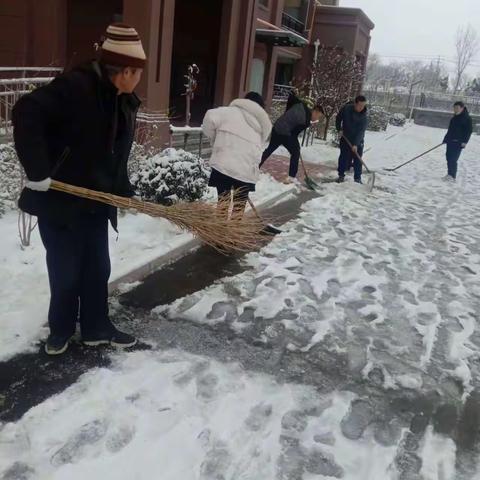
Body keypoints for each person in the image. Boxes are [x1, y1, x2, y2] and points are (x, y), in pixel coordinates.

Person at [12, 23, 146, 355]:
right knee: (66, 269)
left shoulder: (122, 100)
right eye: (139, 72)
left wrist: (121, 188)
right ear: (125, 70)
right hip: (60, 201)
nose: (139, 79)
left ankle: (96, 327)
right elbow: (26, 111)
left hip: (95, 202)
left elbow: (112, 152)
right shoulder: (75, 87)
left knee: (97, 267)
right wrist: (38, 170)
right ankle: (60, 329)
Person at [202, 92, 272, 220]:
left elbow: (209, 118)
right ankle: (234, 235)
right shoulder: (262, 126)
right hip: (245, 171)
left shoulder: (227, 112)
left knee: (223, 201)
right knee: (239, 207)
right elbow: (258, 152)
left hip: (223, 165)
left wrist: (215, 138)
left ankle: (219, 231)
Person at [259, 93, 323, 183]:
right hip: (285, 132)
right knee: (295, 152)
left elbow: (291, 98)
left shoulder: (301, 105)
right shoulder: (306, 120)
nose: (316, 119)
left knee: (270, 149)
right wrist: (296, 146)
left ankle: (254, 167)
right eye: (318, 116)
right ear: (315, 111)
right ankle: (291, 177)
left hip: (277, 127)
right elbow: (293, 134)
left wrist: (287, 115)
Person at [335, 95, 368, 184]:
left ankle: (357, 178)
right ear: (355, 104)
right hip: (346, 137)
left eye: (363, 105)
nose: (362, 108)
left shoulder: (364, 116)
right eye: (360, 105)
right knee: (343, 157)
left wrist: (356, 144)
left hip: (358, 139)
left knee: (357, 158)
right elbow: (338, 118)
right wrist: (339, 129)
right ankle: (341, 175)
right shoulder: (346, 109)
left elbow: (361, 131)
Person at [442, 101, 473, 181]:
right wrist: (445, 139)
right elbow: (450, 130)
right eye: (454, 108)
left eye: (457, 108)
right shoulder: (454, 117)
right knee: (448, 157)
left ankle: (452, 176)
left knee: (453, 159)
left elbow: (469, 131)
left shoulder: (467, 118)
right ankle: (449, 174)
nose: (455, 109)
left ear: (462, 108)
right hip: (450, 142)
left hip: (458, 143)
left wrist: (464, 142)